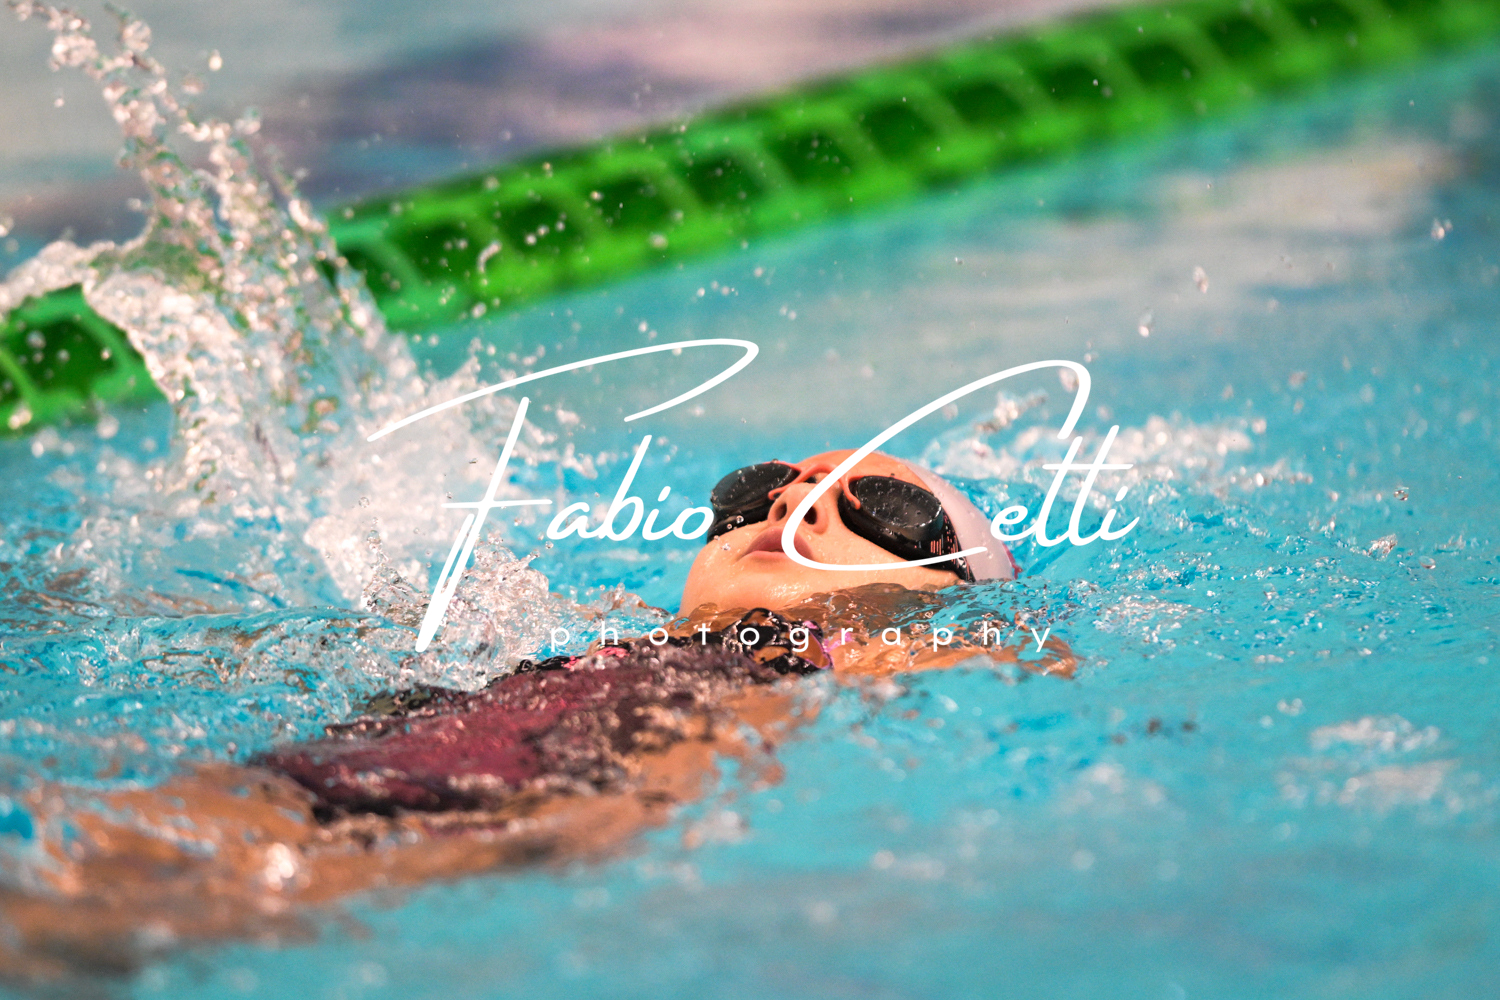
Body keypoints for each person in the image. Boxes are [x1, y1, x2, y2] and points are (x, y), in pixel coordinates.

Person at [0, 450, 1073, 981]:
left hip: (534, 800)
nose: (794, 504)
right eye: (761, 490)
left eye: (882, 510)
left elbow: (1027, 663)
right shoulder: (591, 627)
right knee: (83, 857)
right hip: (350, 759)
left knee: (94, 925)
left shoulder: (852, 650)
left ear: (937, 584)